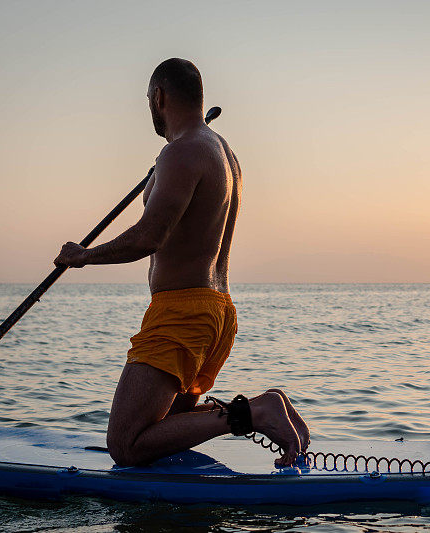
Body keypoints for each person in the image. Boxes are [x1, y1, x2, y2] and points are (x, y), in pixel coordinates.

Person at [54, 58, 309, 467]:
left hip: (182, 313)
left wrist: (85, 256)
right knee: (167, 428)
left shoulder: (181, 153)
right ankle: (265, 406)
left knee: (127, 444)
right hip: (218, 312)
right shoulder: (224, 154)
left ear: (159, 97)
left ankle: (254, 412)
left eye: (148, 100)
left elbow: (149, 236)